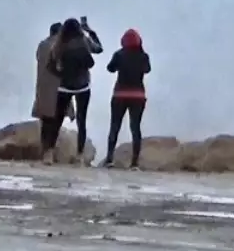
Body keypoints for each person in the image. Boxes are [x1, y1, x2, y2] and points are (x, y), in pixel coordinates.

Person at [43, 17, 101, 165]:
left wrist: (61, 75)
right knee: (82, 121)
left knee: (57, 120)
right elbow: (99, 49)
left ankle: (49, 153)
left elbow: (50, 66)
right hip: (83, 87)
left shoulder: (58, 45)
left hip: (64, 86)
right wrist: (91, 31)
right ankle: (80, 155)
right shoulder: (85, 42)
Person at [101, 28, 152, 170]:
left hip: (120, 95)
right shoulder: (143, 56)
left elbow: (110, 68)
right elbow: (147, 70)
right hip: (138, 96)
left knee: (114, 126)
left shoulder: (119, 54)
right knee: (135, 128)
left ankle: (109, 159)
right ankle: (135, 163)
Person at [32, 22, 68, 161]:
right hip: (58, 87)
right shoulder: (60, 47)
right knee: (55, 120)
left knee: (45, 120)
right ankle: (49, 152)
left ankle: (44, 149)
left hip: (42, 86)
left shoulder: (42, 45)